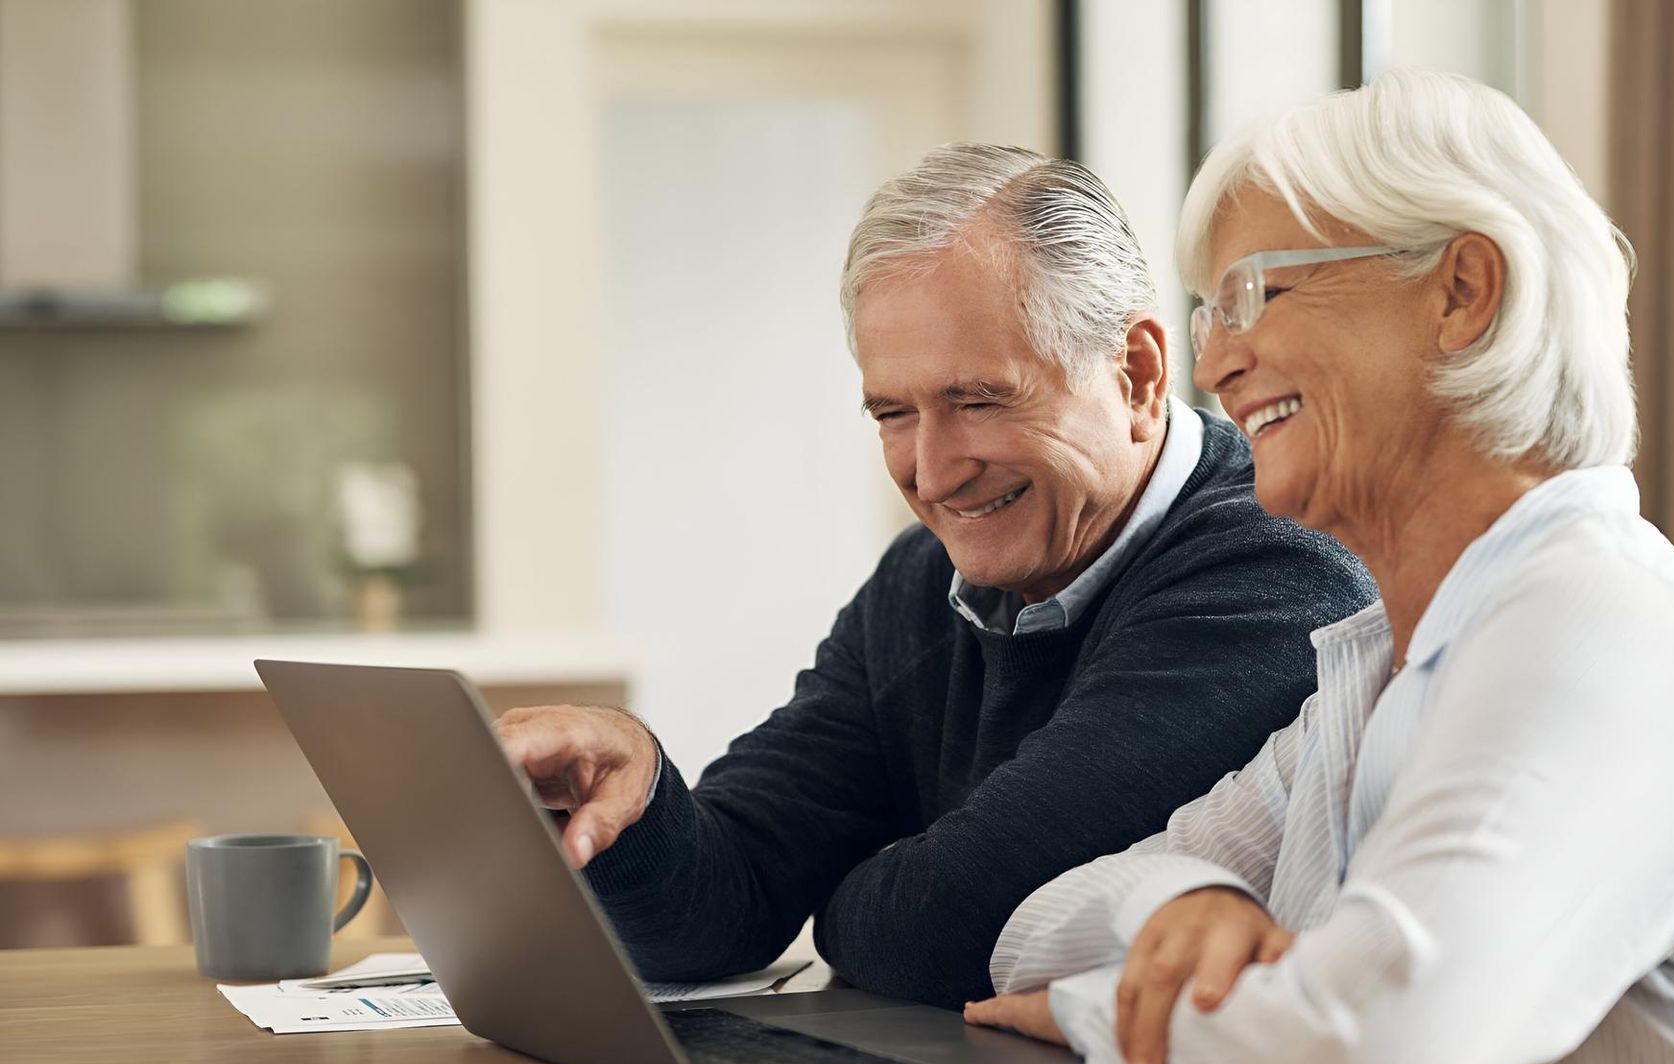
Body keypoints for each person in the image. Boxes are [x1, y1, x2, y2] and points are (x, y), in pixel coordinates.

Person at [966, 72, 1674, 1064]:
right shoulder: (1377, 671)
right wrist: (1184, 904)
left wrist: (1087, 1018)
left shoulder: (1606, 632)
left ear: (1463, 291)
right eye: (1209, 312)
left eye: (1254, 293)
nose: (1215, 363)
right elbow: (1030, 931)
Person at [495, 144, 1375, 1011]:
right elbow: (728, 903)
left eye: (979, 400)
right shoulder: (925, 578)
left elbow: (951, 930)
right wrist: (637, 789)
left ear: (1138, 374)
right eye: (893, 414)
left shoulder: (1275, 565)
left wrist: (839, 905)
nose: (934, 470)